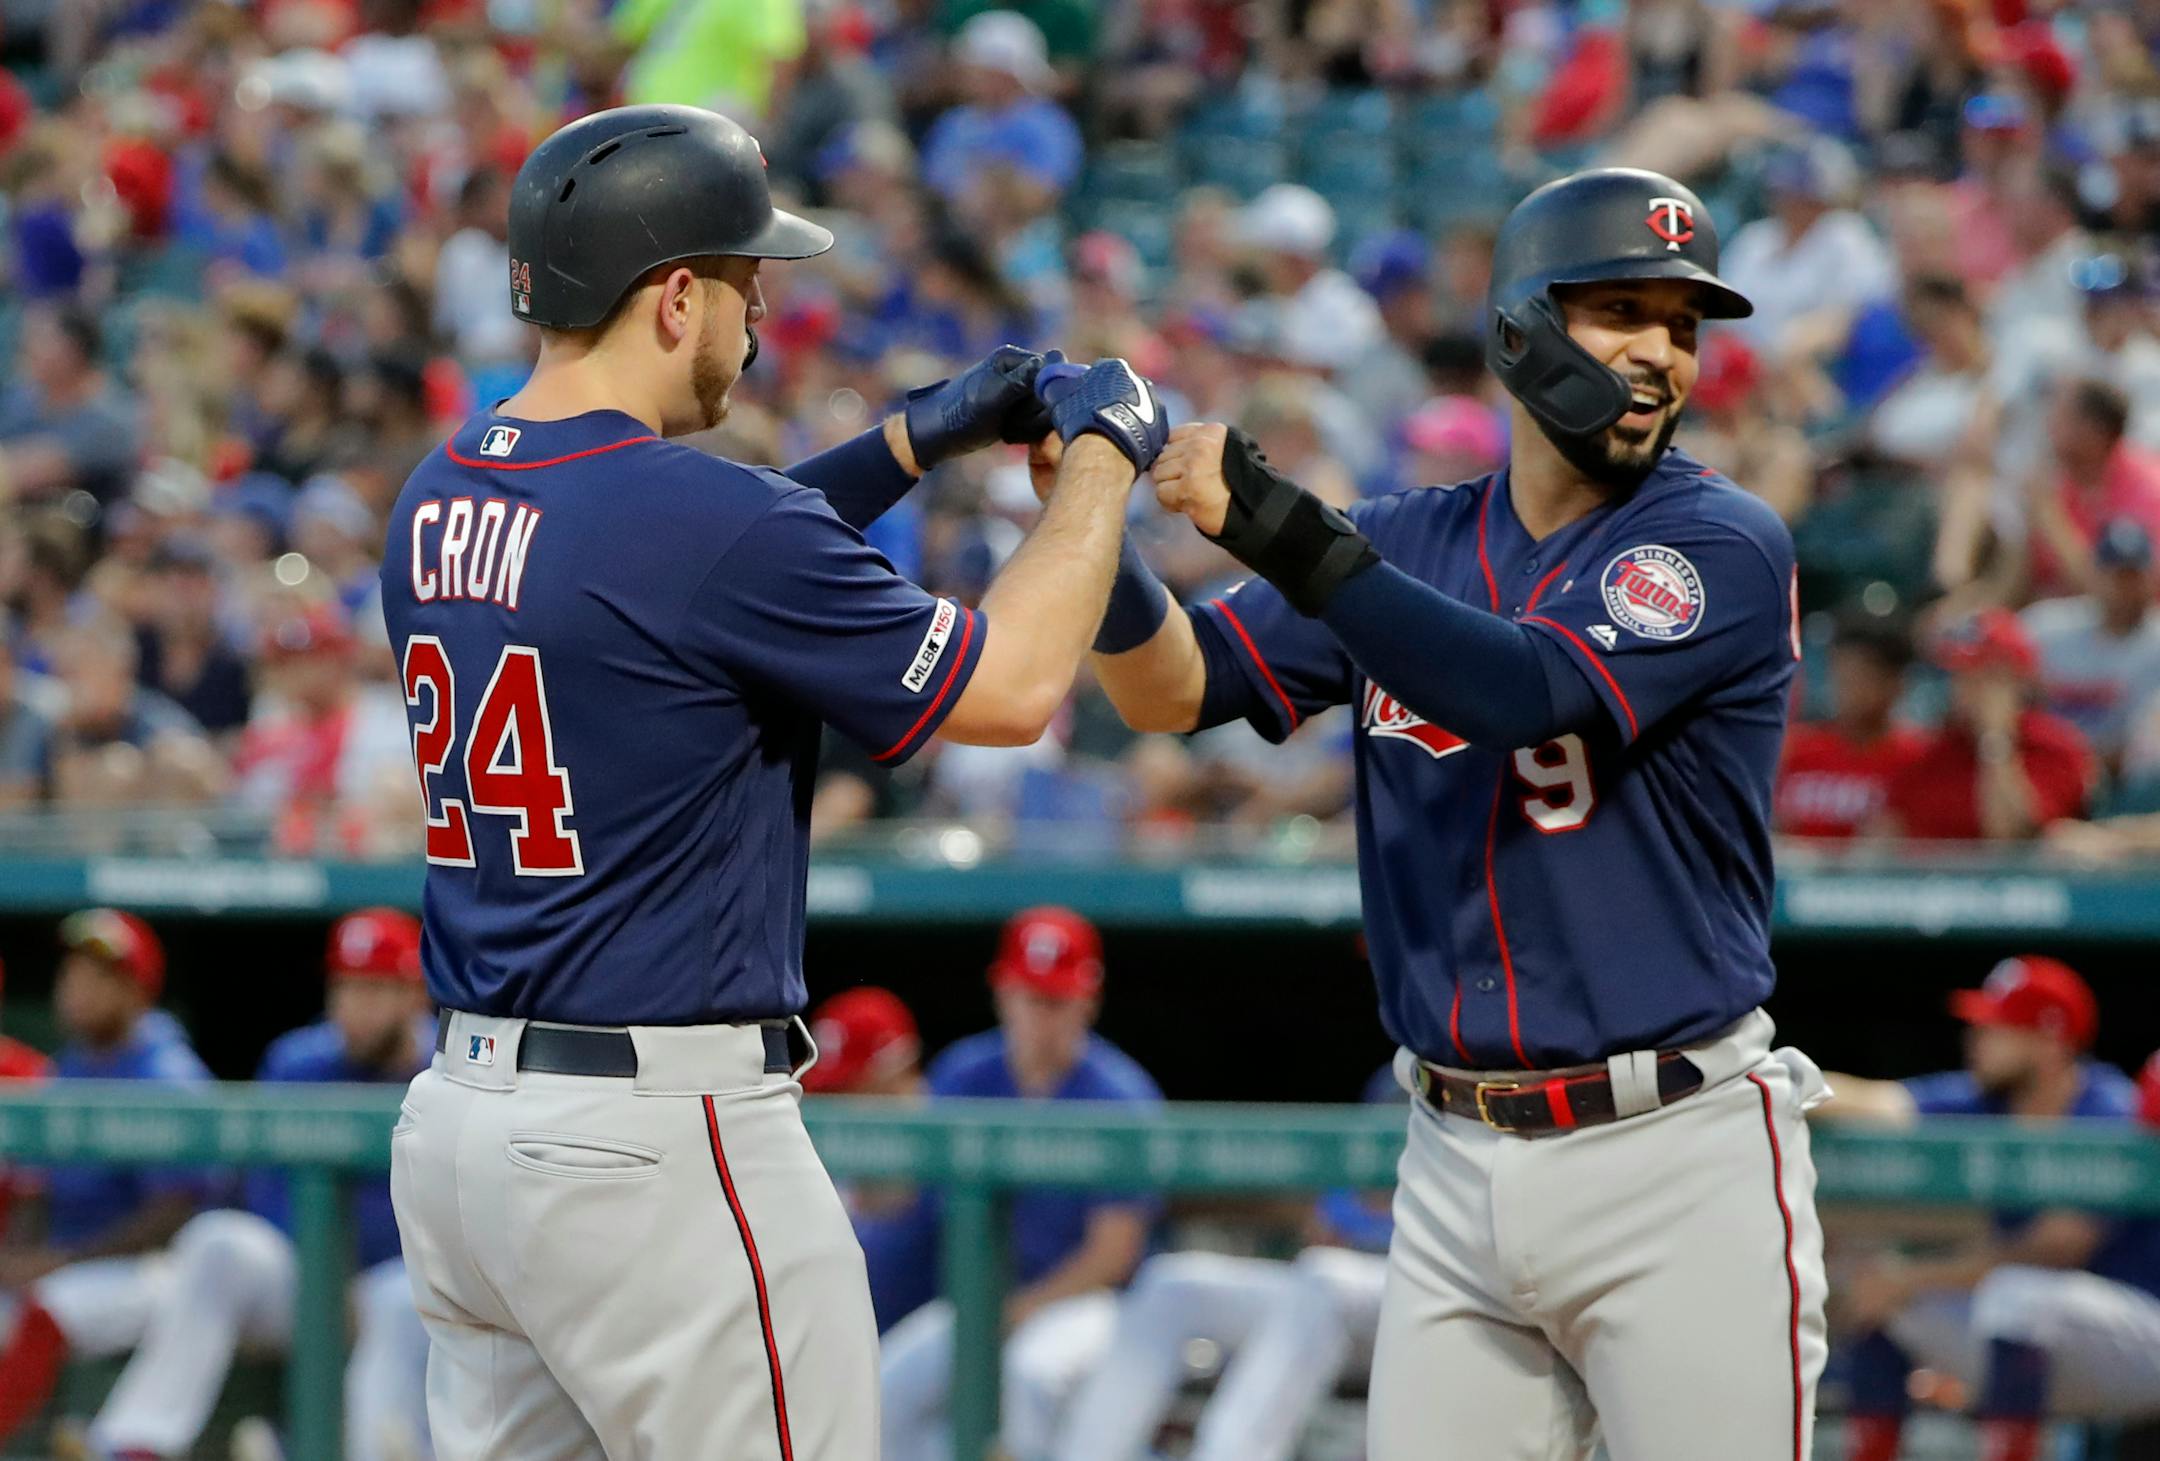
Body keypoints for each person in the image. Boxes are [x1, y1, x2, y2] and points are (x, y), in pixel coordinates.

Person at [381, 104, 1166, 1460]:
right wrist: (1101, 464)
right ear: (674, 295)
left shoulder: (436, 491)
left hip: (465, 1128)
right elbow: (1014, 686)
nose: (756, 324)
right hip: (657, 1140)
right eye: (746, 288)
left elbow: (666, 567)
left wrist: (906, 445)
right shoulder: (703, 523)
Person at [1084, 168, 1828, 1458]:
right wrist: (1085, 509)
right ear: (1520, 331)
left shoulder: (1715, 541)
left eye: (1684, 325)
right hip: (1449, 1159)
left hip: (1672, 1157)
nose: (1661, 354)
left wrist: (1276, 525)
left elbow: (1521, 689)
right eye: (1622, 313)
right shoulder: (1406, 543)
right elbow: (1173, 689)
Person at [59, 909, 435, 1461]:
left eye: (376, 989)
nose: (355, 1008)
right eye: (345, 987)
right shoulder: (297, 1062)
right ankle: (137, 1443)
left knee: (401, 1301)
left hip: (397, 1284)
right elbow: (263, 1196)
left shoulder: (445, 1073)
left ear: (414, 996)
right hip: (309, 1278)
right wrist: (328, 1277)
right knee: (219, 1242)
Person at [1817, 956, 2160, 1460]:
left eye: (2000, 1028)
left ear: (2050, 1042)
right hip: (2047, 1339)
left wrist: (1915, 1275)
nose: (1978, 1039)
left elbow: (2057, 1246)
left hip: (2139, 1330)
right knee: (1881, 1296)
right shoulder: (1985, 1100)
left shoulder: (2110, 1108)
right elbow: (1880, 1104)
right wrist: (1782, 1082)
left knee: (2014, 1295)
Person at [876, 906, 1162, 1461]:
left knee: (1031, 1377)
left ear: (1089, 1000)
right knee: (886, 1388)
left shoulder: (1121, 1096)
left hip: (1090, 1306)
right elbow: (906, 1195)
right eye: (1030, 996)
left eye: (1057, 1000)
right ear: (1002, 992)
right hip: (982, 1300)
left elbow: (1114, 1253)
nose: (1042, 1016)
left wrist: (1018, 1311)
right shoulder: (964, 1073)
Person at [1052, 1065, 1401, 1461]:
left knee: (1324, 1277)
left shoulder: (1475, 1081)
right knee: (1172, 1284)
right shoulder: (1402, 1076)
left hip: (1419, 1290)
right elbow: (1337, 1208)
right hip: (1341, 1289)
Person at [0, 911, 215, 1447]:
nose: (76, 990)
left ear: (137, 992)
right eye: (70, 975)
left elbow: (175, 1213)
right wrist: (18, 1256)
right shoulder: (69, 1068)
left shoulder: (168, 1074)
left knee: (49, 1308)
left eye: (99, 979)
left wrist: (63, 1260)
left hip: (159, 1272)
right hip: (73, 1263)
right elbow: (37, 1186)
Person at [1877, 610, 2094, 842]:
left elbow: (2011, 836)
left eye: (1986, 675)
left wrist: (1995, 738)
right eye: (1962, 673)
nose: (1968, 688)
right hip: (1937, 878)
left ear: (2020, 682)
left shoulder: (2055, 746)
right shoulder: (1934, 753)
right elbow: (1887, 834)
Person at [2022, 517, 2160, 777]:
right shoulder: (2046, 626)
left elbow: (2141, 749)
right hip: (2047, 769)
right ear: (2095, 575)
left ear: (2150, 578)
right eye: (2116, 576)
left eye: (2133, 576)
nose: (2124, 589)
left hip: (2125, 781)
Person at [1776, 612, 1924, 841]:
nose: (1849, 689)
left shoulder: (1918, 758)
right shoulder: (1797, 749)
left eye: (1862, 676)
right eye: (1842, 675)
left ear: (1896, 683)